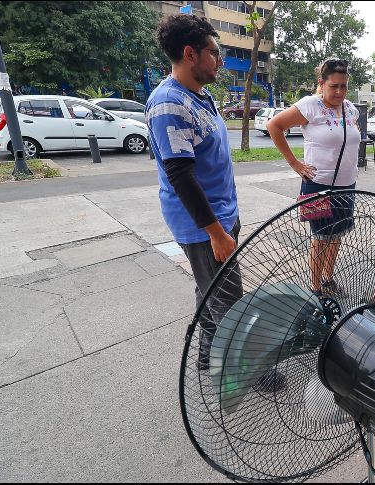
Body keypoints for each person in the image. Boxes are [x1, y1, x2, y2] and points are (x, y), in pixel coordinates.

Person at [146, 14, 242, 372]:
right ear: (190, 54)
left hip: (222, 215)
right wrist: (216, 232)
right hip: (203, 226)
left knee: (209, 290)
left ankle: (207, 355)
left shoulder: (200, 96)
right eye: (214, 53)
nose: (220, 61)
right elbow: (181, 177)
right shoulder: (170, 104)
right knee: (231, 301)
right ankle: (244, 366)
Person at [266, 58, 362, 297]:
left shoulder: (350, 108)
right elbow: (274, 126)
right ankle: (316, 288)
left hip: (347, 184)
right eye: (334, 86)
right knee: (320, 238)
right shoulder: (310, 105)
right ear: (322, 83)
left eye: (344, 86)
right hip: (318, 185)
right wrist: (294, 163)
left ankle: (329, 279)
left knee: (337, 235)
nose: (339, 92)